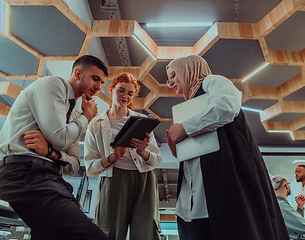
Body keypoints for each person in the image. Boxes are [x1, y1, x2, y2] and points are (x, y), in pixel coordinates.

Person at [165, 55, 289, 240]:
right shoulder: (188, 109)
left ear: (188, 69)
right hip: (198, 196)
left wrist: (184, 129)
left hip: (226, 184)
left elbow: (226, 107)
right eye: (169, 79)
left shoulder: (212, 82)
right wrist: (176, 146)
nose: (171, 82)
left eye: (173, 75)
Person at [0, 55, 109, 240]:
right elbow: (60, 139)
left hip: (51, 178)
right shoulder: (53, 84)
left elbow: (73, 166)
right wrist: (87, 116)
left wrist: (51, 153)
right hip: (23, 172)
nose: (99, 87)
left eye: (102, 82)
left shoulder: (73, 116)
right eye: (95, 79)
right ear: (78, 73)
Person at [84, 72, 162, 240]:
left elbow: (156, 160)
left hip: (144, 179)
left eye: (130, 93)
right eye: (121, 90)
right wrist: (113, 157)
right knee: (108, 230)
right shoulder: (95, 124)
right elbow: (90, 167)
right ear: (111, 90)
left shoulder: (142, 120)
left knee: (146, 232)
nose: (125, 96)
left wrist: (144, 152)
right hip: (113, 178)